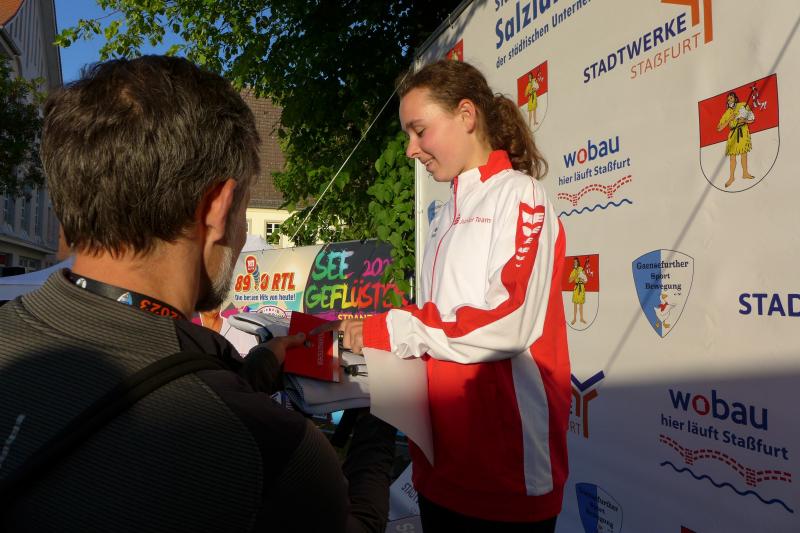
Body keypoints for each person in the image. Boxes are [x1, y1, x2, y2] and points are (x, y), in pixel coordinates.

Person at [0, 55, 395, 532]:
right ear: (217, 208)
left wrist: (258, 368)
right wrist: (383, 411)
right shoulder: (270, 447)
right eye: (244, 211)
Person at [329, 60, 571, 531]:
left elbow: (509, 321)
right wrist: (379, 328)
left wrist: (391, 328)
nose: (410, 150)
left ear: (466, 115)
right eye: (408, 135)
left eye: (419, 131)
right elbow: (441, 320)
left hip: (506, 478)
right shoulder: (443, 214)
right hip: (439, 469)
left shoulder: (521, 196)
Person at [716, 91, 756, 188]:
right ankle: (731, 177)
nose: (729, 100)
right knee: (732, 157)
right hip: (733, 134)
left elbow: (752, 119)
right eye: (728, 99)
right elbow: (719, 128)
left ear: (735, 98)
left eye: (731, 98)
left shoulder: (743, 105)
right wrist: (729, 119)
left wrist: (745, 120)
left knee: (744, 154)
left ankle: (745, 173)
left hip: (743, 131)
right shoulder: (728, 112)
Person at [569, 257, 587, 325]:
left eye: (576, 262)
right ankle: (574, 319)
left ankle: (581, 318)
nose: (575, 263)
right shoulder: (573, 271)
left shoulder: (581, 269)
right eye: (574, 262)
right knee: (575, 304)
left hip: (581, 287)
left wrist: (582, 279)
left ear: (578, 262)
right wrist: (575, 276)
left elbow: (585, 281)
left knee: (581, 304)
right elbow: (569, 281)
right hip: (576, 288)